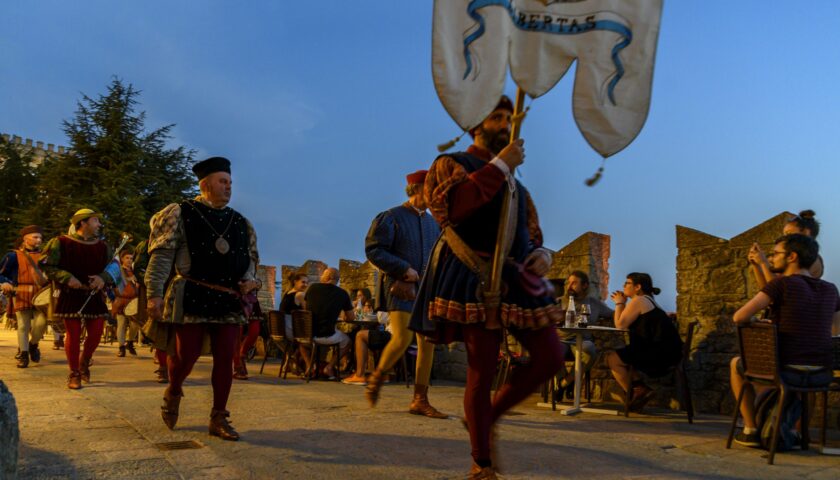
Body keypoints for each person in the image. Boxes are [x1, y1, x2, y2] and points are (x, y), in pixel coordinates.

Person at [410, 96, 565, 479]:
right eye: (497, 117)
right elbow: (453, 209)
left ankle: (487, 417)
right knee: (481, 370)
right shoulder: (453, 164)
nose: (506, 124)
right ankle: (482, 463)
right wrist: (500, 165)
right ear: (476, 124)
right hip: (471, 272)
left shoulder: (517, 185)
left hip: (513, 278)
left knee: (551, 356)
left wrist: (542, 254)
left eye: (509, 118)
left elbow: (531, 234)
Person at [146, 156, 261, 441]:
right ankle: (174, 389)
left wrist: (250, 278)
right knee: (188, 354)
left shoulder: (240, 222)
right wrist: (154, 295)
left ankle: (218, 416)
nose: (228, 187)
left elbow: (251, 260)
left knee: (226, 357)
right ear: (205, 184)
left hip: (228, 297)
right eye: (223, 181)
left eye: (230, 183)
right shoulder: (180, 213)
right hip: (193, 292)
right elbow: (162, 258)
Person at [730, 234, 840, 446]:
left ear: (792, 257)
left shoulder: (781, 284)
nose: (772, 258)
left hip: (786, 373)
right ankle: (794, 432)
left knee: (736, 364)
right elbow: (834, 327)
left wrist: (757, 321)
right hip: (821, 375)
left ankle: (751, 429)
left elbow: (739, 317)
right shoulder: (831, 289)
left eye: (776, 253)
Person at [364, 169, 445, 418]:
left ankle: (420, 400)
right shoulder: (391, 217)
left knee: (428, 343)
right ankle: (377, 379)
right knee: (401, 337)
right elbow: (374, 250)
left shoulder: (435, 224)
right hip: (400, 288)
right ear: (418, 189)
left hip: (426, 291)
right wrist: (403, 269)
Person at [41, 209, 115, 389]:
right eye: (96, 220)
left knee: (96, 333)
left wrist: (102, 278)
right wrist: (67, 278)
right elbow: (46, 265)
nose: (99, 224)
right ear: (83, 223)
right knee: (73, 335)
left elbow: (114, 267)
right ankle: (74, 372)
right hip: (70, 294)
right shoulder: (60, 243)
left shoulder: (103, 246)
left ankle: (85, 361)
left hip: (94, 294)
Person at [606, 273, 682, 411]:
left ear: (638, 287)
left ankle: (638, 391)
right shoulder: (650, 301)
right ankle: (638, 392)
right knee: (625, 357)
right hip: (668, 352)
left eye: (627, 283)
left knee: (613, 359)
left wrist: (619, 303)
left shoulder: (639, 300)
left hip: (657, 353)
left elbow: (620, 325)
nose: (624, 286)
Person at [555, 270, 613, 400]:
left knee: (590, 349)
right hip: (562, 340)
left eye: (574, 283)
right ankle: (566, 381)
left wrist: (621, 303)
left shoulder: (593, 303)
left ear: (585, 285)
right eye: (568, 283)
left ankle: (564, 384)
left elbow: (614, 314)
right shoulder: (558, 302)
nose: (569, 286)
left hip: (582, 341)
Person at [0, 225, 49, 368]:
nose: (39, 239)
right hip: (21, 291)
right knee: (23, 325)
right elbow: (1, 274)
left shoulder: (46, 256)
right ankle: (24, 354)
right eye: (35, 237)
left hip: (42, 293)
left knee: (41, 323)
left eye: (40, 237)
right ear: (25, 239)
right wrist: (4, 283)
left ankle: (33, 345)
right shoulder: (12, 256)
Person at [749, 210, 823, 288]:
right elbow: (766, 289)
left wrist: (763, 262)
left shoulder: (811, 259)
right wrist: (756, 265)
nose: (785, 238)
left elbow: (778, 289)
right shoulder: (791, 258)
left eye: (789, 233)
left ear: (806, 233)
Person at [303, 267, 352, 379]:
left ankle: (309, 366)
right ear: (336, 280)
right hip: (327, 335)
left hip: (308, 335)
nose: (321, 277)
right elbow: (351, 317)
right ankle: (329, 367)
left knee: (301, 343)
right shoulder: (342, 293)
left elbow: (306, 311)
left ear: (328, 277)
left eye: (323, 275)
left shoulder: (312, 288)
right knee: (348, 342)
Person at [342, 300, 391, 385]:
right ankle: (383, 375)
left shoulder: (393, 299)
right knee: (367, 334)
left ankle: (359, 375)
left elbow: (382, 319)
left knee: (360, 335)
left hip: (392, 335)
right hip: (403, 336)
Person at [112, 249, 139, 357]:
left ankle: (130, 342)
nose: (129, 260)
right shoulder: (119, 271)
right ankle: (121, 347)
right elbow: (114, 285)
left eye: (131, 258)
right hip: (121, 301)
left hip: (134, 301)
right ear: (122, 259)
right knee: (121, 324)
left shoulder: (135, 271)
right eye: (127, 258)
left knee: (135, 325)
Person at [279, 272, 308, 374]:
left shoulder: (287, 294)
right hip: (291, 330)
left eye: (307, 283)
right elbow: (307, 313)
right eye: (303, 282)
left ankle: (291, 360)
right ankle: (306, 364)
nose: (305, 285)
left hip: (281, 329)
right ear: (295, 281)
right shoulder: (300, 294)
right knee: (310, 338)